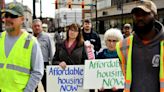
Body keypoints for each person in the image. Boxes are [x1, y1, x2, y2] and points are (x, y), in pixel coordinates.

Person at [116, 0, 164, 92]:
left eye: (145, 14)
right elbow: (119, 79)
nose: (140, 18)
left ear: (155, 16)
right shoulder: (123, 45)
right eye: (136, 14)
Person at [0, 2, 44, 92]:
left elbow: (37, 72)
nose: (8, 19)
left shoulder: (31, 42)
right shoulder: (0, 38)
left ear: (22, 19)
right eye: (6, 15)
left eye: (12, 16)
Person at [32, 19, 54, 92]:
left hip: (44, 65)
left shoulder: (47, 37)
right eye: (35, 26)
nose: (37, 28)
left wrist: (51, 66)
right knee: (33, 87)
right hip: (32, 66)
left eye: (38, 26)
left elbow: (52, 52)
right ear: (32, 27)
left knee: (47, 86)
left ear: (41, 26)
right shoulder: (29, 38)